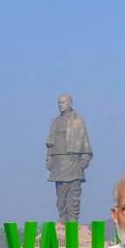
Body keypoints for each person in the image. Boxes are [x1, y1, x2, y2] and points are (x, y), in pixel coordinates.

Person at [45, 94, 93, 222]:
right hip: (59, 164)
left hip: (73, 163)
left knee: (74, 196)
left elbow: (86, 145)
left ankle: (73, 222)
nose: (60, 105)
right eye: (59, 103)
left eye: (63, 102)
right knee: (61, 197)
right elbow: (50, 144)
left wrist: (84, 162)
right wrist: (49, 159)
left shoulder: (77, 120)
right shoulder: (55, 121)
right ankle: (62, 220)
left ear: (70, 103)